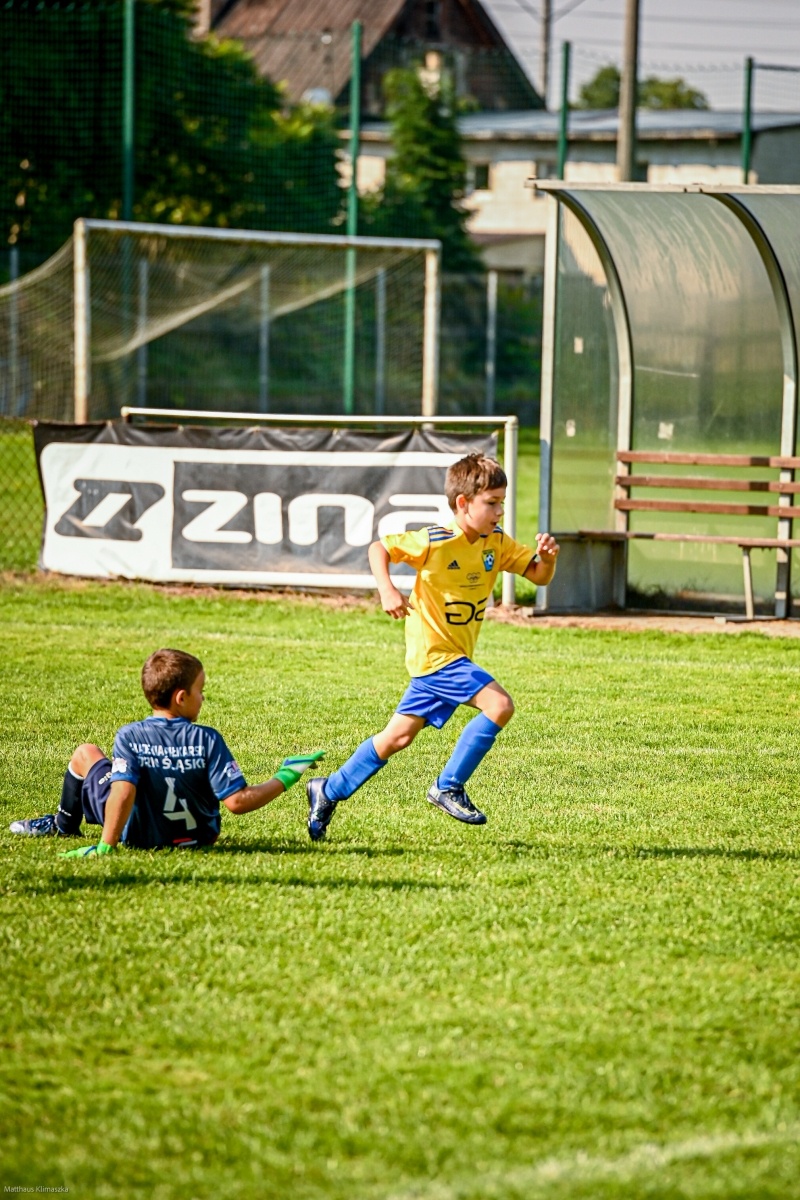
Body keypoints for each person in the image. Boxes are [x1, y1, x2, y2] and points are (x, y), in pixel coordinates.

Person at [305, 453, 559, 841]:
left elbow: (538, 574)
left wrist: (550, 558)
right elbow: (379, 549)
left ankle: (329, 789)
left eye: (502, 502)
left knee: (397, 738)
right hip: (436, 656)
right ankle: (448, 786)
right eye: (491, 503)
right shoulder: (436, 540)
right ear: (463, 503)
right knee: (499, 705)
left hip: (448, 659)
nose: (499, 511)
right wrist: (388, 588)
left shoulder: (496, 542)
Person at [9, 648, 324, 855]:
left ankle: (63, 826)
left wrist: (106, 846)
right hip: (200, 837)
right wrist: (287, 774)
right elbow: (238, 802)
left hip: (139, 838)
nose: (203, 698)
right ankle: (62, 825)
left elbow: (122, 792)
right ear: (182, 697)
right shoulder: (208, 739)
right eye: (201, 691)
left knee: (86, 753)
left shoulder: (130, 736)